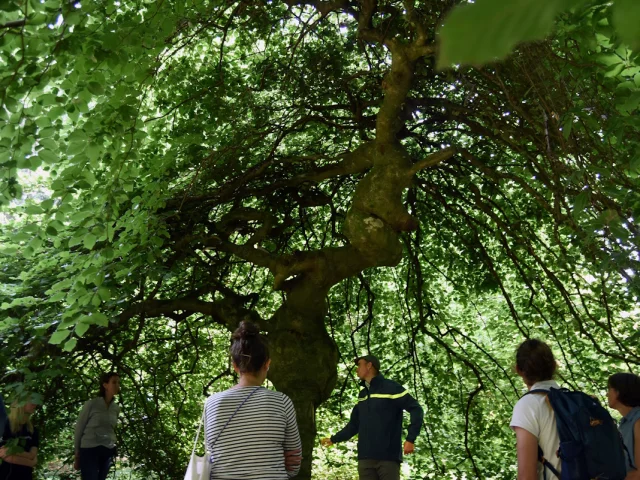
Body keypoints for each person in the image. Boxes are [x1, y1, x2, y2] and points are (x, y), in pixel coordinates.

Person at [203, 321, 302, 479]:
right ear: (267, 364)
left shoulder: (212, 403)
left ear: (235, 366)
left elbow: (212, 455)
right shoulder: (282, 402)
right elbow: (294, 463)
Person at [320, 355, 424, 480]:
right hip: (365, 459)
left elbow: (416, 409)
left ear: (369, 366)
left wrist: (410, 439)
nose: (357, 369)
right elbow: (354, 425)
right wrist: (334, 439)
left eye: (360, 365)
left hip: (388, 458)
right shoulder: (363, 395)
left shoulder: (391, 388)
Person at [510, 339, 561, 480]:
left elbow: (527, 476)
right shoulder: (574, 401)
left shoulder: (529, 405)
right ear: (554, 366)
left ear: (518, 370)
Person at [74, 372, 121, 480]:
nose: (117, 385)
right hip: (89, 449)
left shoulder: (116, 408)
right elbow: (79, 428)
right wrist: (77, 453)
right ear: (105, 385)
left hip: (107, 450)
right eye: (114, 382)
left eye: (118, 382)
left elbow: (111, 429)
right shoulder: (91, 404)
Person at [608, 372, 640, 480]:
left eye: (609, 389)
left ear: (618, 391)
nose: (607, 394)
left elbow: (639, 473)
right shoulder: (624, 423)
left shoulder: (638, 420)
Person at [0, 397, 40, 480]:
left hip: (26, 476)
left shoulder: (32, 430)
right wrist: (29, 461)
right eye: (31, 400)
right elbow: (3, 454)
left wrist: (12, 452)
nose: (35, 404)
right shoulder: (5, 426)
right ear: (20, 403)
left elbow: (33, 456)